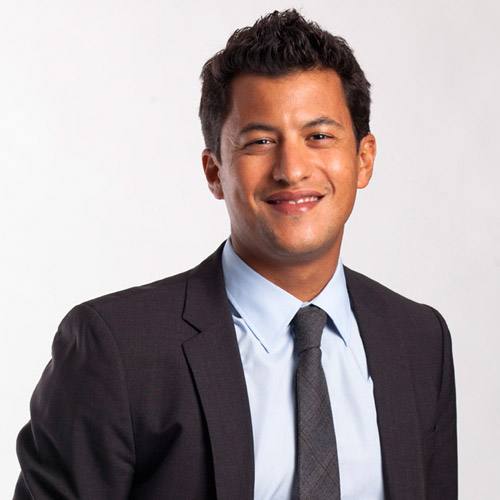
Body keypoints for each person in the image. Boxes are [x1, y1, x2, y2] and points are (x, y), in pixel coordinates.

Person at [14, 9, 457, 500]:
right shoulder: (117, 349)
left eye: (319, 136)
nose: (292, 169)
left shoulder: (419, 341)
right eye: (260, 141)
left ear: (363, 159)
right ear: (214, 172)